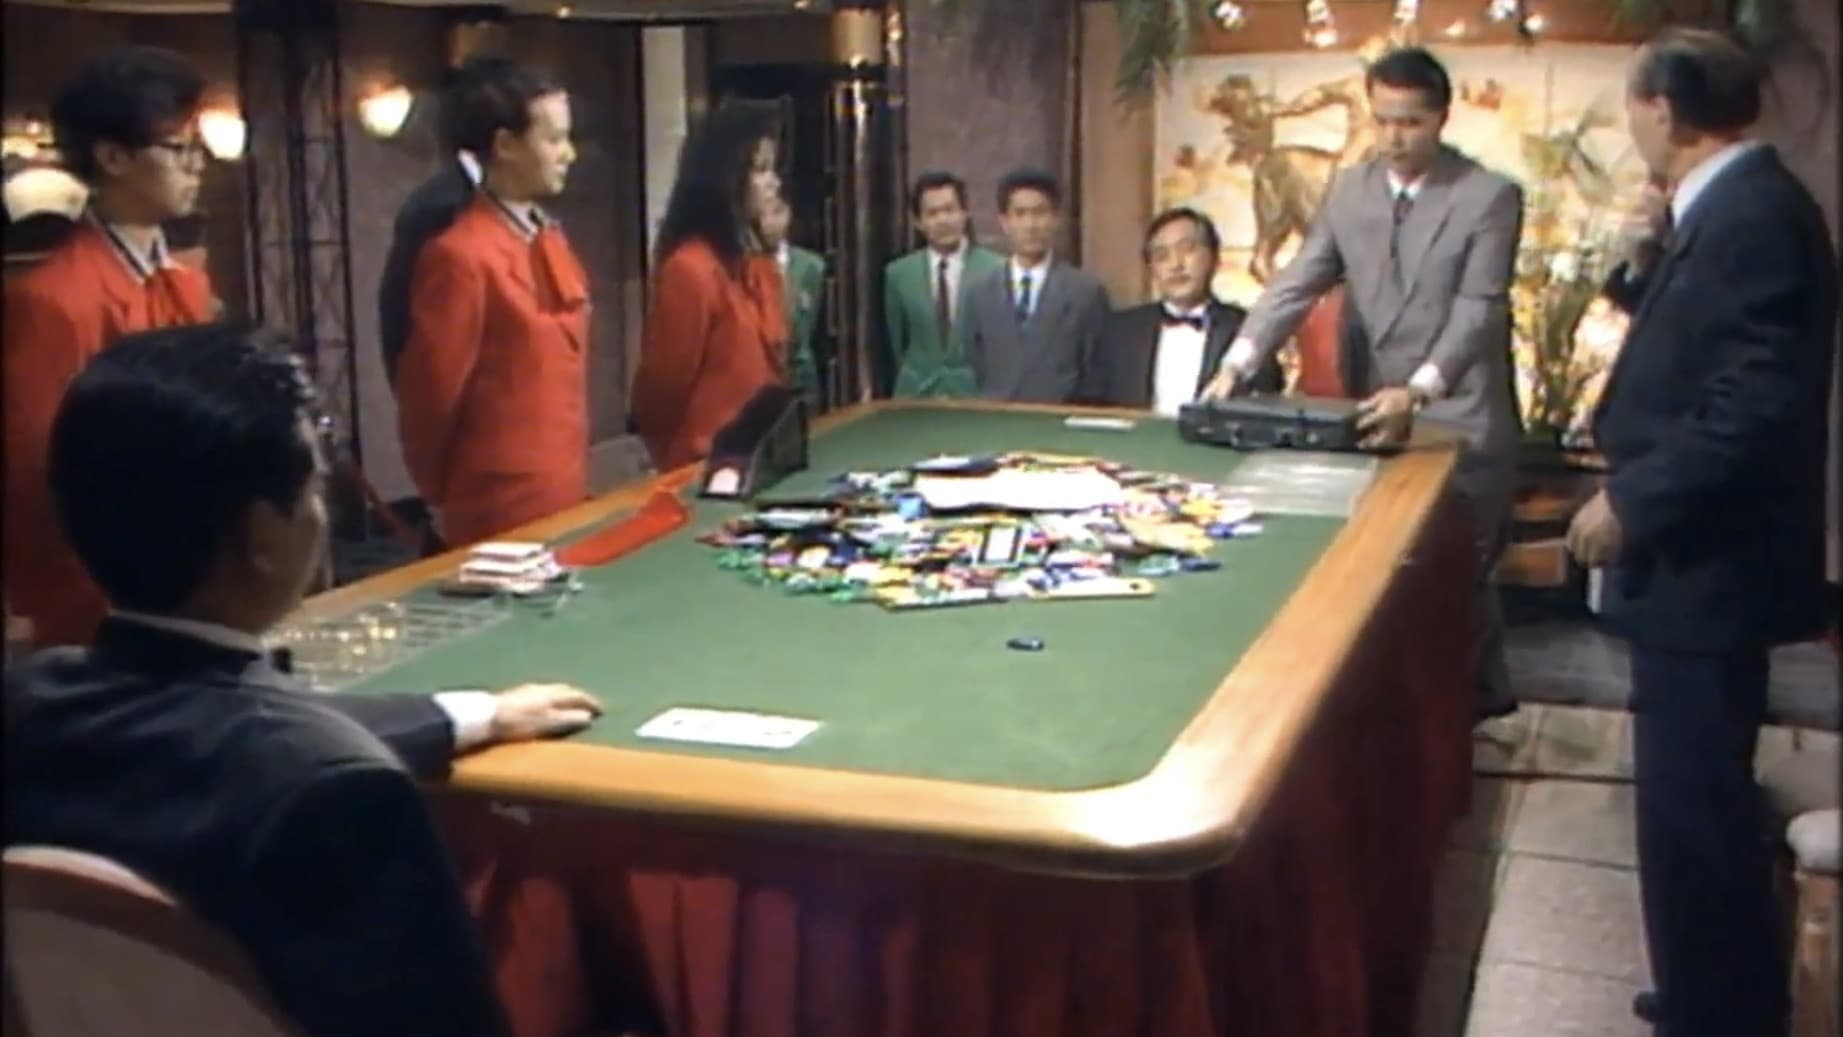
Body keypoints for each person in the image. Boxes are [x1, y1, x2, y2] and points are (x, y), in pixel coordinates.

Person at [5, 323, 604, 1037]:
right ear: (263, 536)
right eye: (316, 488)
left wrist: (472, 715)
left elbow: (213, 731)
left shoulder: (25, 706)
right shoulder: (342, 797)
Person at [1565, 28, 1838, 1037]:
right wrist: (1640, 260)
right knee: (1682, 801)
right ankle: (1697, 984)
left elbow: (1750, 402)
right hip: (1691, 567)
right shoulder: (1716, 209)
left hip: (1708, 564)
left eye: (1632, 105)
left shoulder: (1755, 213)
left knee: (1697, 802)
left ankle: (1721, 1010)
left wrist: (1634, 502)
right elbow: (1683, 343)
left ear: (1663, 111)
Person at [1202, 46, 1524, 722]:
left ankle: (1468, 716)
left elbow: (1479, 309)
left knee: (1459, 582)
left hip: (1461, 419)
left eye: (1409, 122)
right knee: (1400, 588)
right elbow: (1300, 279)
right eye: (1382, 121)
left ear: (1441, 118)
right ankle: (1436, 719)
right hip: (1385, 423)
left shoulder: (1488, 197)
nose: (1393, 139)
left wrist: (1420, 388)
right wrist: (1239, 360)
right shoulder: (1350, 189)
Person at [4, 46, 218, 649]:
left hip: (192, 571)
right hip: (103, 598)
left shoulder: (185, 282)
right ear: (113, 157)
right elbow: (37, 475)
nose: (196, 165)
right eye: (177, 148)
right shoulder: (53, 300)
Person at [396, 56, 590, 550]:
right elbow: (431, 397)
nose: (569, 154)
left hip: (565, 481)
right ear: (505, 145)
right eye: (554, 139)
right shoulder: (460, 255)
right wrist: (436, 493)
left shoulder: (547, 236)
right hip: (498, 501)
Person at [629, 100, 787, 470]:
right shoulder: (690, 269)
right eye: (761, 169)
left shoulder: (755, 266)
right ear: (728, 175)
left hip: (758, 460)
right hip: (702, 467)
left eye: (773, 168)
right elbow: (661, 395)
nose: (774, 183)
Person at [1097, 207, 1283, 411]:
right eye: (1161, 256)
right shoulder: (1119, 332)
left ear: (1214, 258)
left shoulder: (1247, 331)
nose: (1176, 265)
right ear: (1150, 269)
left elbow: (1268, 402)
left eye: (1187, 249)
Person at [961, 168, 1111, 403]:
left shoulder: (1086, 292)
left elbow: (1095, 372)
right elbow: (976, 364)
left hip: (1058, 418)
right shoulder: (980, 293)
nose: (1030, 225)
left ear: (1056, 219)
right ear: (1004, 222)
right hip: (997, 416)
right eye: (1020, 214)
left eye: (1040, 213)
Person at [883, 170, 1004, 398]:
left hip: (974, 396)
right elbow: (897, 342)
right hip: (916, 395)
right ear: (918, 222)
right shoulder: (898, 274)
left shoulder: (996, 269)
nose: (942, 220)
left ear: (965, 212)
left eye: (950, 210)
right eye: (932, 213)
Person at [760, 193, 826, 403]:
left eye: (777, 212)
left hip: (802, 380)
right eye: (762, 214)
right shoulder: (743, 266)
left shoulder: (812, 266)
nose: (769, 222)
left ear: (788, 214)